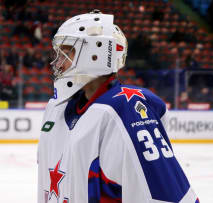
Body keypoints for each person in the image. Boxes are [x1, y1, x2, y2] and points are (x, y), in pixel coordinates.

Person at [37, 10, 199, 203]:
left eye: (67, 52)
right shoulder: (56, 108)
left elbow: (168, 196)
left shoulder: (125, 108)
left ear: (95, 53)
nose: (58, 63)